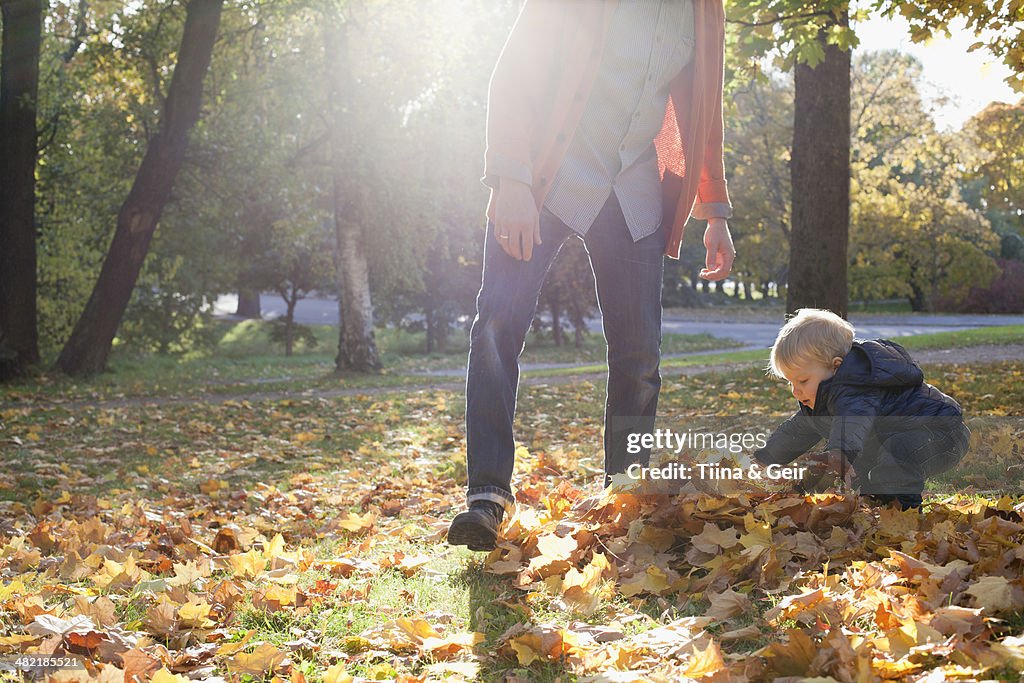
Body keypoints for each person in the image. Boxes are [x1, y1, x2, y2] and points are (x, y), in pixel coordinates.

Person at [447, 0, 735, 551]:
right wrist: (509, 181)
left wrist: (715, 211)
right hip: (547, 175)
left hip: (633, 186)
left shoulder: (704, 10)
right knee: (494, 330)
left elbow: (705, 109)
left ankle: (621, 498)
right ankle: (486, 498)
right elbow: (516, 70)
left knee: (639, 357)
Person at [753, 308, 971, 510]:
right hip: (899, 434)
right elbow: (797, 430)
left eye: (802, 381)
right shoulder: (825, 397)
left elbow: (853, 417)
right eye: (790, 383)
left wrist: (838, 453)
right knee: (869, 469)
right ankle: (876, 506)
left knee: (896, 457)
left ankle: (904, 514)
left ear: (836, 367)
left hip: (939, 432)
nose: (795, 391)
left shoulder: (857, 384)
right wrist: (764, 458)